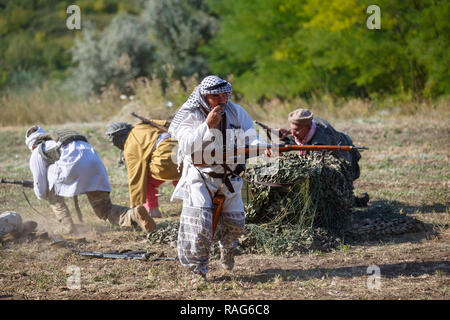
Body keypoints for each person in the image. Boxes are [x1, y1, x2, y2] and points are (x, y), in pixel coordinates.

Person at [168, 75, 263, 284]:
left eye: (225, 95)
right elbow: (187, 145)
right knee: (200, 225)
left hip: (230, 176)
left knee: (236, 224)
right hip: (201, 176)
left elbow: (252, 137)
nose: (222, 100)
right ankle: (198, 271)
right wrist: (207, 125)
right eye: (215, 96)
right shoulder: (190, 114)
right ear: (204, 96)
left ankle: (227, 248)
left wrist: (258, 146)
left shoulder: (236, 111)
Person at [25, 125, 156, 235]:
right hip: (95, 165)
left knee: (51, 193)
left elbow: (41, 189)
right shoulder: (59, 138)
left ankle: (67, 226)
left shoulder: (37, 151)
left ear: (31, 146)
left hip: (72, 167)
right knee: (103, 209)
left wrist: (43, 191)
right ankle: (133, 214)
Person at [275, 108, 369, 206]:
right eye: (291, 129)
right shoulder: (309, 125)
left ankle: (354, 202)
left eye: (296, 130)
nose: (293, 134)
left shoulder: (321, 140)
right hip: (330, 156)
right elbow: (298, 139)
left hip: (342, 158)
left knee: (334, 191)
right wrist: (284, 137)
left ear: (307, 127)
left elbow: (313, 168)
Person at [105, 121, 180, 218]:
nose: (112, 145)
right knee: (181, 175)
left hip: (165, 159)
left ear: (118, 138)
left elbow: (136, 178)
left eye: (112, 141)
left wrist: (135, 205)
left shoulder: (130, 146)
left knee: (145, 181)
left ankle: (153, 211)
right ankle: (192, 202)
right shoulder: (142, 125)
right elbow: (166, 123)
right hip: (182, 149)